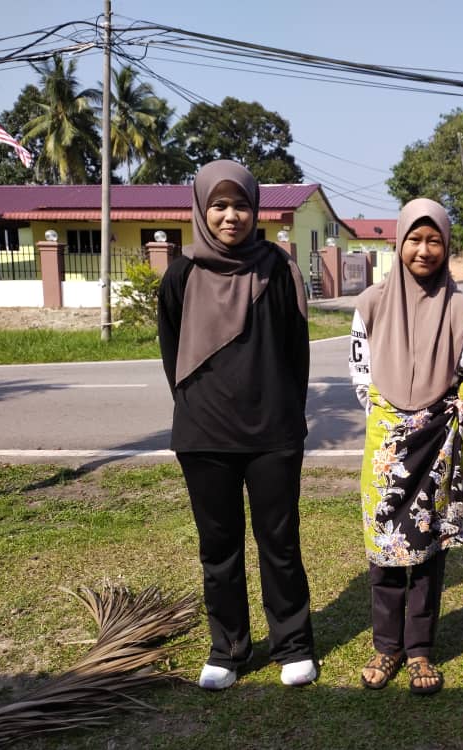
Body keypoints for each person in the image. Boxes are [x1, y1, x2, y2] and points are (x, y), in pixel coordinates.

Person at [157, 159, 317, 691]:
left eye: (241, 205)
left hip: (273, 432)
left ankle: (292, 644)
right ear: (202, 210)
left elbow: (296, 352)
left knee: (280, 541)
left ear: (256, 210)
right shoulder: (181, 274)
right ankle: (227, 649)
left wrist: (288, 415)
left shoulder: (278, 269)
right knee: (218, 547)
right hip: (205, 434)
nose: (231, 216)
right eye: (219, 206)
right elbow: (172, 354)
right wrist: (197, 408)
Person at [350, 198, 463, 696]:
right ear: (399, 242)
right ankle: (386, 646)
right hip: (386, 442)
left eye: (434, 241)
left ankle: (420, 649)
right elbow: (361, 372)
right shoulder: (370, 303)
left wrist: (442, 408)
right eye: (415, 239)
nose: (424, 250)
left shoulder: (462, 308)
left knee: (428, 546)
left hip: (438, 441)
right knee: (384, 544)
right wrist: (393, 419)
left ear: (446, 246)